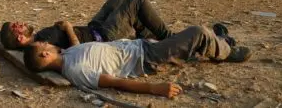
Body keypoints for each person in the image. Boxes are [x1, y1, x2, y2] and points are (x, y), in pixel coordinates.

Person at [23, 25, 252, 98]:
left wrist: (68, 29)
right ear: (44, 55)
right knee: (198, 32)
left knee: (192, 42)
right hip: (146, 58)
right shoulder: (75, 70)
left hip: (142, 46)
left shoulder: (68, 55)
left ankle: (220, 40)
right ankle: (226, 51)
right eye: (44, 46)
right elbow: (114, 82)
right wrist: (155, 89)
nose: (47, 43)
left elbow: (77, 47)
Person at [0, 0, 235, 50]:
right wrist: (69, 28)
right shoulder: (42, 44)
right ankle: (168, 38)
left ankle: (148, 33)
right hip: (104, 37)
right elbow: (75, 52)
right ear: (20, 38)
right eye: (16, 27)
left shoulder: (41, 36)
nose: (20, 22)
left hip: (95, 28)